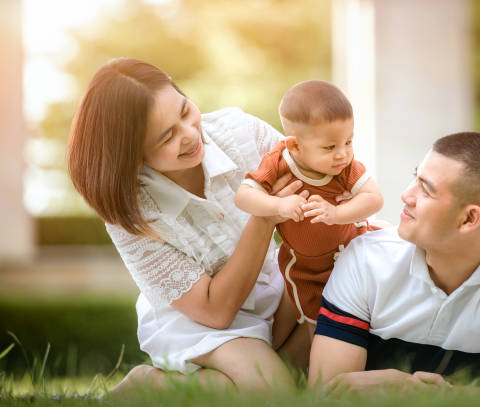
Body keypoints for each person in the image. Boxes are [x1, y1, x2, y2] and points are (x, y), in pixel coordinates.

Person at [67, 57, 314, 392]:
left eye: (184, 111)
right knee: (273, 390)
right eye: (166, 137)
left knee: (327, 348)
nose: (190, 135)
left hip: (274, 290)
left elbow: (319, 185)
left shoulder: (240, 134)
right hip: (203, 323)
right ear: (134, 155)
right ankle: (145, 386)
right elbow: (215, 312)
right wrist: (264, 214)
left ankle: (159, 389)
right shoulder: (130, 214)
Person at [308, 132, 480, 391]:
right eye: (414, 178)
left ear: (468, 219)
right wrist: (399, 384)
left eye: (426, 191)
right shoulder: (366, 259)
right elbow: (324, 392)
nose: (406, 195)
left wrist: (416, 392)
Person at [234, 80, 384, 338]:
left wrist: (337, 214)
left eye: (349, 141)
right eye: (330, 147)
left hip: (352, 250)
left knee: (361, 314)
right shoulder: (279, 161)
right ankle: (292, 362)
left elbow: (374, 198)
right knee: (315, 326)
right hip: (308, 269)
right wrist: (278, 204)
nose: (343, 154)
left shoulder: (344, 167)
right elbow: (244, 197)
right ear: (295, 146)